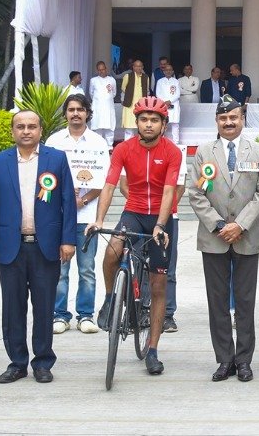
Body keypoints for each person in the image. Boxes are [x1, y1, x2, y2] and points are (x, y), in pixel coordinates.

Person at [0, 110, 76, 385]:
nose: (26, 131)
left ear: (40, 130)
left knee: (44, 307)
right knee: (13, 308)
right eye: (20, 126)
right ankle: (17, 363)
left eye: (32, 126)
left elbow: (68, 202)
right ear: (13, 131)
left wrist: (68, 240)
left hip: (45, 247)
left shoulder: (56, 159)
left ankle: (43, 362)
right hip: (9, 247)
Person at [93, 96, 183, 375]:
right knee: (112, 249)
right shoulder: (123, 148)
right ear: (137, 122)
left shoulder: (172, 151)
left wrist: (160, 225)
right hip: (133, 211)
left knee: (158, 285)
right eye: (143, 119)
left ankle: (152, 350)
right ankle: (110, 298)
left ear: (164, 124)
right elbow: (109, 185)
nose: (148, 124)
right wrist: (98, 220)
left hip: (161, 218)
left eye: (154, 120)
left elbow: (169, 191)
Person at [186, 95, 259, 382]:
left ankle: (244, 360)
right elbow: (196, 193)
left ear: (242, 119)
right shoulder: (203, 152)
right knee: (217, 302)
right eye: (223, 118)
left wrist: (240, 225)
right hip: (214, 237)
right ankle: (224, 360)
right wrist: (220, 224)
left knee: (245, 301)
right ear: (216, 121)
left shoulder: (258, 150)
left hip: (247, 236)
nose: (229, 122)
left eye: (233, 117)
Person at [45, 94, 109, 335]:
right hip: (58, 217)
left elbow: (103, 180)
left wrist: (81, 200)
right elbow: (45, 178)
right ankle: (59, 315)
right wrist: (63, 196)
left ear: (88, 113)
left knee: (87, 270)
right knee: (59, 270)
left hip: (87, 216)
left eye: (80, 109)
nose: (75, 114)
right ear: (65, 114)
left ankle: (85, 315)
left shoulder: (98, 142)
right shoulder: (53, 141)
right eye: (71, 109)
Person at [118, 59, 153, 139]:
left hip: (141, 106)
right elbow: (123, 89)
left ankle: (141, 143)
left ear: (142, 67)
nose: (138, 68)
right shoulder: (127, 76)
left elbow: (147, 91)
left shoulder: (146, 77)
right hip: (129, 105)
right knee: (129, 126)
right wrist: (123, 100)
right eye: (136, 66)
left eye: (140, 66)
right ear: (133, 67)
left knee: (141, 126)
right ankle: (128, 143)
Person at [89, 60, 119, 141]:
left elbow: (114, 93)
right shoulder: (93, 80)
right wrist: (99, 99)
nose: (101, 71)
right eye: (99, 70)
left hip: (108, 107)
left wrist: (107, 98)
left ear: (106, 69)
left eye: (102, 69)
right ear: (97, 70)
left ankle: (109, 145)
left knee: (109, 127)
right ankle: (99, 145)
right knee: (97, 127)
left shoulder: (112, 80)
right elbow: (91, 93)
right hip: (97, 107)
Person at [155, 62, 183, 143]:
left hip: (174, 104)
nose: (168, 71)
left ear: (173, 71)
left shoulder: (176, 81)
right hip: (163, 105)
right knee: (163, 123)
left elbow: (178, 94)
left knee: (175, 123)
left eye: (170, 70)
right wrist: (165, 102)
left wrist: (170, 101)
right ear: (163, 71)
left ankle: (176, 142)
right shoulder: (160, 81)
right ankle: (161, 141)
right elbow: (158, 94)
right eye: (166, 70)